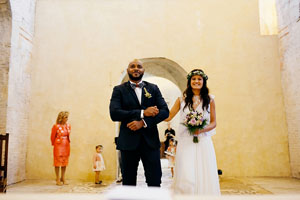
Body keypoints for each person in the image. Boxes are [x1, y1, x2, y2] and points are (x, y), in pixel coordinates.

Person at [109, 59, 169, 187]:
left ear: (143, 70)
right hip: (128, 142)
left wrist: (143, 122)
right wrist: (142, 113)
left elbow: (165, 112)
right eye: (132, 66)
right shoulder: (119, 90)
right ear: (128, 70)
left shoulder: (153, 88)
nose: (136, 68)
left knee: (155, 181)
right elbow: (114, 114)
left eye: (139, 66)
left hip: (150, 142)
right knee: (128, 182)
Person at [165, 69, 220, 195]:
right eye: (193, 79)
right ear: (189, 82)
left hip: (203, 141)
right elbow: (168, 116)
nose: (196, 81)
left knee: (204, 171)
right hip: (186, 142)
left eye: (199, 79)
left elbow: (213, 122)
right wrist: (155, 111)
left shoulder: (210, 100)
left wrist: (201, 129)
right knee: (186, 172)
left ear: (203, 82)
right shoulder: (181, 100)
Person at [50, 111, 71, 186]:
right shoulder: (56, 126)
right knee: (57, 162)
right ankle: (57, 178)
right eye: (66, 117)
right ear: (61, 118)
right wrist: (54, 144)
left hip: (66, 145)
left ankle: (63, 177)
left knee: (64, 162)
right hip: (58, 145)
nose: (67, 119)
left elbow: (68, 136)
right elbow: (52, 137)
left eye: (67, 117)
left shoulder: (68, 126)